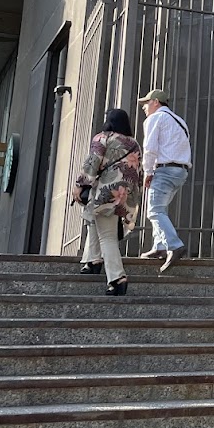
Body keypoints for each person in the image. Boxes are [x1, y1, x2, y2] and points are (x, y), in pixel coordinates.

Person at [72, 107, 142, 296]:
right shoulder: (134, 143)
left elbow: (92, 163)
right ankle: (92, 260)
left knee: (107, 236)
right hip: (125, 194)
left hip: (105, 192)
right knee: (95, 220)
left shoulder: (103, 138)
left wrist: (79, 184)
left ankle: (117, 278)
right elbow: (138, 172)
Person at [138, 88, 192, 272]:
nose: (144, 107)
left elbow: (150, 148)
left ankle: (174, 245)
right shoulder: (179, 121)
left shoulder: (155, 118)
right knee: (161, 208)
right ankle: (159, 246)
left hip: (165, 170)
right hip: (180, 171)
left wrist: (147, 171)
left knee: (154, 210)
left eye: (146, 103)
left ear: (156, 102)